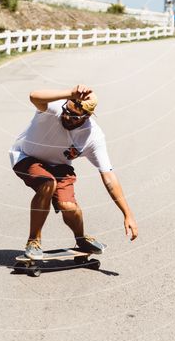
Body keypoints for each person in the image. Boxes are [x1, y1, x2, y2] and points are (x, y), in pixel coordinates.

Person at [10, 83, 138, 259]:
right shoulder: (55, 107)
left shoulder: (93, 136)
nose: (67, 117)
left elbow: (109, 177)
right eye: (67, 111)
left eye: (74, 117)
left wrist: (127, 214)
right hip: (25, 157)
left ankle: (81, 238)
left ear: (87, 117)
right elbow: (33, 95)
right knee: (47, 183)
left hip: (60, 166)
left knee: (68, 206)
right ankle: (34, 241)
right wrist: (70, 93)